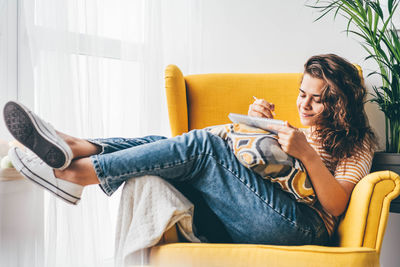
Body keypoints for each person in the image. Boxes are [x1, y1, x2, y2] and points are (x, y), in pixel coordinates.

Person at [3, 54, 376, 246]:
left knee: (200, 146)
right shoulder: (297, 128)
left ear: (341, 103)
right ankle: (75, 146)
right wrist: (254, 126)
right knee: (164, 146)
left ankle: (78, 173)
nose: (304, 106)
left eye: (318, 100)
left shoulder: (358, 141)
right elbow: (252, 174)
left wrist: (307, 155)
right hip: (255, 214)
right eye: (302, 94)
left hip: (302, 228)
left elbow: (337, 205)